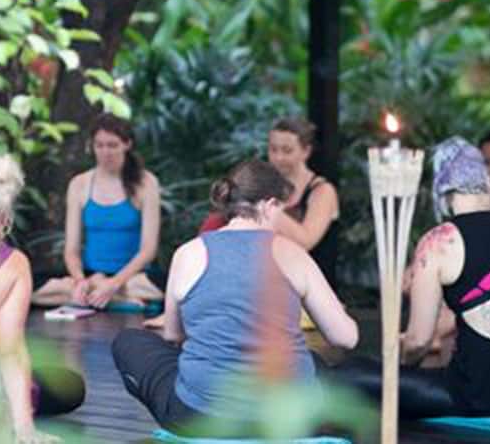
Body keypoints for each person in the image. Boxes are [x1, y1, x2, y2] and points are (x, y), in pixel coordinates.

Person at [332, 137, 490, 419]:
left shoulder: (439, 240)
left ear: (442, 194)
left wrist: (403, 367)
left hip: (475, 394)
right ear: (487, 185)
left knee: (350, 373)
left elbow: (419, 341)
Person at [112, 160, 358, 437]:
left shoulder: (188, 253)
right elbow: (346, 338)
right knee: (315, 365)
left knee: (129, 341)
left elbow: (173, 334)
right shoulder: (293, 254)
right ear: (269, 205)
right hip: (290, 420)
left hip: (199, 418)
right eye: (281, 210)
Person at [0, 154, 84, 443]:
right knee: (67, 385)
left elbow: (10, 350)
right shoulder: (12, 264)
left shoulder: (12, 264)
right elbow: (10, 351)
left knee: (66, 383)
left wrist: (24, 431)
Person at [31, 114, 163, 308]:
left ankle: (99, 296)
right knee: (30, 286)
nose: (105, 152)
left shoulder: (146, 183)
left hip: (132, 278)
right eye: (99, 146)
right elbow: (71, 250)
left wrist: (114, 284)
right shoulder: (79, 184)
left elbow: (148, 250)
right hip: (91, 275)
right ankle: (114, 299)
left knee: (167, 286)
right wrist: (80, 281)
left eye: (112, 145)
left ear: (127, 144)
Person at [198, 117, 340, 289]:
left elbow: (306, 242)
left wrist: (264, 205)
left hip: (313, 287)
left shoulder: (322, 190)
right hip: (268, 284)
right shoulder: (264, 186)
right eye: (273, 149)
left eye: (287, 151)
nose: (279, 157)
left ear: (306, 151)